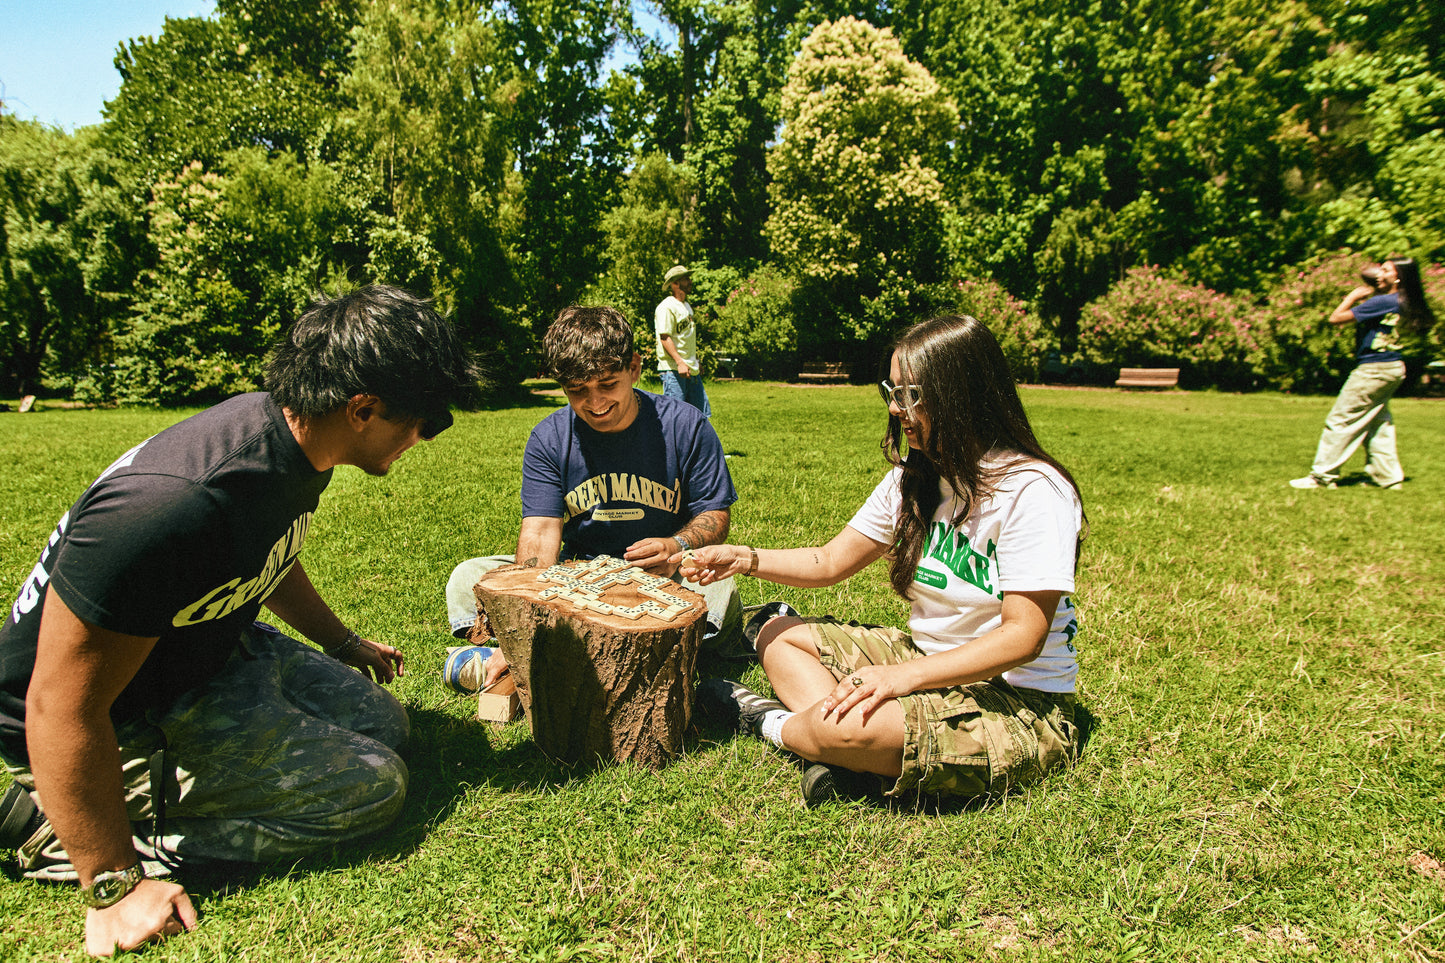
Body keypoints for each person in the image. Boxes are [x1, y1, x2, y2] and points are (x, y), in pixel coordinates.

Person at [0, 284, 477, 957]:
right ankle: (47, 829)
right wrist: (112, 885)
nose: (422, 439)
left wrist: (340, 640)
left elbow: (265, 553)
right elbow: (56, 702)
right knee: (370, 789)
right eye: (420, 422)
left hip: (203, 649)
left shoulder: (296, 438)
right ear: (362, 408)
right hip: (105, 715)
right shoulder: (170, 507)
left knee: (387, 724)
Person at [680, 314, 1086, 808]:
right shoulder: (915, 478)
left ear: (964, 392)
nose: (897, 409)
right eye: (891, 392)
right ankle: (842, 749)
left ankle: (773, 723)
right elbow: (829, 561)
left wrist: (900, 679)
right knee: (775, 633)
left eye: (912, 393)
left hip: (1014, 703)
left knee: (848, 726)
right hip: (925, 658)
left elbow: (1023, 637)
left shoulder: (1033, 491)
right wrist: (743, 557)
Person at [445, 305, 742, 690]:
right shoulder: (548, 438)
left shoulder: (686, 426)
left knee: (720, 588)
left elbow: (714, 515)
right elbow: (539, 535)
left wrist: (677, 544)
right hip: (578, 576)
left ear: (634, 368)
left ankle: (562, 648)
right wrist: (526, 611)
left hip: (662, 579)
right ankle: (592, 648)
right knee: (467, 577)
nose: (596, 403)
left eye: (607, 384)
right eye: (577, 391)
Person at [1290, 257, 1437, 490]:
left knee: (1342, 419)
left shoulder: (1383, 301)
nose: (1379, 273)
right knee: (1377, 423)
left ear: (1398, 277)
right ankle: (1388, 478)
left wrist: (1351, 298)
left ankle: (1321, 476)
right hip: (1393, 367)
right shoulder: (1404, 300)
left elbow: (1335, 319)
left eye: (1386, 270)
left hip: (1373, 370)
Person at [654, 265, 711, 417]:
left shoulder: (686, 306)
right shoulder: (666, 307)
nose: (690, 281)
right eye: (686, 279)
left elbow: (685, 338)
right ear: (675, 284)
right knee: (675, 416)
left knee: (698, 414)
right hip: (674, 369)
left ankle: (694, 441)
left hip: (690, 368)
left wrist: (695, 360)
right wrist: (679, 362)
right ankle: (672, 442)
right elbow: (665, 337)